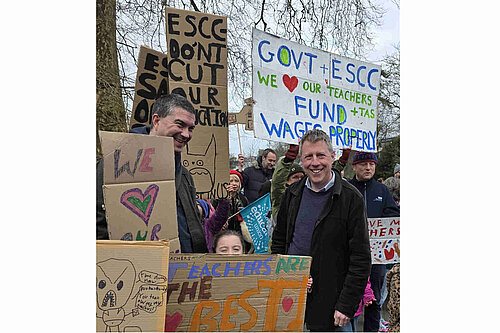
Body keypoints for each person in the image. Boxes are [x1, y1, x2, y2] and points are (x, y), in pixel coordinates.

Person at [271, 129, 372, 332]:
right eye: (308, 156)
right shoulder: (292, 193)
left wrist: (346, 304)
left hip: (333, 305)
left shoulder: (351, 198)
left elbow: (360, 258)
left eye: (320, 155)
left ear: (332, 157)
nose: (314, 163)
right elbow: (280, 242)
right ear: (301, 160)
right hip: (292, 297)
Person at [96, 93, 208, 253]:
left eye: (191, 128)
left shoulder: (184, 176)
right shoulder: (115, 165)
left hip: (183, 270)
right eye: (180, 125)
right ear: (156, 120)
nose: (186, 134)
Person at [348, 152, 400, 332]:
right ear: (354, 167)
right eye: (363, 164)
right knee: (350, 299)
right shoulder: (347, 187)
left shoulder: (382, 190)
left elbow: (393, 215)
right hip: (350, 255)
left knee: (375, 300)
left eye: (371, 164)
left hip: (376, 257)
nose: (368, 168)